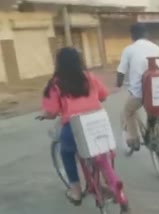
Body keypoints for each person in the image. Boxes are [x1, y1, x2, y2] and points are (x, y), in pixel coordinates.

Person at [40, 47, 108, 205]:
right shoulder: (89, 77)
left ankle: (76, 191)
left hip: (74, 124)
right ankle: (104, 181)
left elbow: (51, 112)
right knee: (101, 151)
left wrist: (45, 115)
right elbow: (103, 95)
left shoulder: (55, 84)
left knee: (66, 152)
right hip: (97, 120)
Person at [116, 23, 159, 150]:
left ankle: (134, 139)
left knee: (128, 111)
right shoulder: (157, 48)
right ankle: (154, 134)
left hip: (139, 92)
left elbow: (121, 72)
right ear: (146, 34)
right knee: (154, 110)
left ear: (132, 36)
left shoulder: (129, 50)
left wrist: (118, 83)